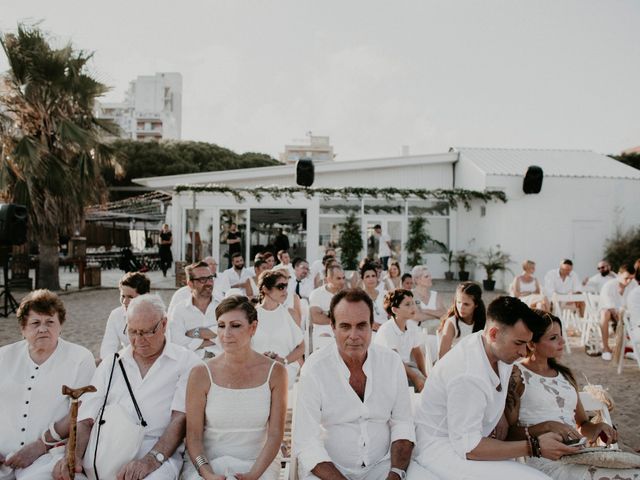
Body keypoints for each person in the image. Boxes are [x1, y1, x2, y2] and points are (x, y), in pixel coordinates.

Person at [414, 296, 576, 480]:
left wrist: (500, 417)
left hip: (474, 442)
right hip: (443, 449)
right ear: (493, 334)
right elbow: (469, 448)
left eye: (526, 343)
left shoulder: (493, 348)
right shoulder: (467, 375)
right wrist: (534, 447)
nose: (524, 353)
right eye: (519, 343)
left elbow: (496, 385)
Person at [52, 294, 200, 480]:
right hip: (103, 451)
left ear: (164, 324)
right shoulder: (111, 363)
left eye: (147, 332)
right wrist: (74, 455)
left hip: (155, 452)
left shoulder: (186, 362)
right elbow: (86, 418)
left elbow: (179, 419)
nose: (139, 340)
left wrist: (151, 460)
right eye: (133, 332)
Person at [293, 289, 426, 480]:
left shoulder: (391, 362)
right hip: (329, 470)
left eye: (361, 326)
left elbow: (402, 423)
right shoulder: (314, 369)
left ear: (372, 325)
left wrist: (396, 473)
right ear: (333, 327)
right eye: (345, 326)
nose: (354, 335)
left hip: (384, 466)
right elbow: (306, 443)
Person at [505, 310, 640, 479]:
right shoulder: (517, 376)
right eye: (553, 338)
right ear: (532, 344)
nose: (562, 341)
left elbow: (582, 424)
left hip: (577, 455)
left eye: (561, 335)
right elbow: (508, 434)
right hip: (541, 460)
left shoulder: (565, 375)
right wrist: (547, 426)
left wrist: (598, 428)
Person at [183, 296, 287, 480]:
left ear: (253, 327)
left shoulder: (275, 372)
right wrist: (206, 473)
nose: (226, 334)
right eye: (221, 326)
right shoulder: (200, 373)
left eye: (236, 325)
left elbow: (275, 435)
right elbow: (193, 437)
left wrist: (253, 474)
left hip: (259, 464)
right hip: (209, 464)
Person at [0, 290, 95, 480]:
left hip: (48, 456)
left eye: (50, 322)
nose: (43, 329)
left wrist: (41, 445)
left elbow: (81, 412)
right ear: (23, 329)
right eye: (35, 323)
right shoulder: (3, 356)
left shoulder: (80, 358)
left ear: (60, 326)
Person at [253, 270, 305, 387]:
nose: (285, 291)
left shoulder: (288, 314)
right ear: (266, 289)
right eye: (281, 287)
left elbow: (301, 347)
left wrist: (284, 361)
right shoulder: (252, 316)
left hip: (284, 371)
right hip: (257, 371)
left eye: (286, 287)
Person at [375, 289, 428, 392]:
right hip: (387, 371)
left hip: (406, 367)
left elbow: (417, 353)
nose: (413, 307)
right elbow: (395, 360)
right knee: (418, 384)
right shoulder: (387, 330)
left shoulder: (412, 326)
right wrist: (415, 377)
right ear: (395, 310)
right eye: (407, 304)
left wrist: (424, 375)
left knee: (428, 384)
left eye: (413, 303)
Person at [169, 261, 220, 358]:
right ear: (190, 284)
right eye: (202, 280)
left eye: (210, 278)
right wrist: (211, 339)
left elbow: (228, 335)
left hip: (220, 363)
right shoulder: (179, 310)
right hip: (191, 364)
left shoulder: (222, 306)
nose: (209, 283)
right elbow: (177, 342)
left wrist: (196, 332)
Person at [99, 271, 151, 361]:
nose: (124, 302)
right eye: (123, 296)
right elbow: (108, 348)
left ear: (144, 296)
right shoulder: (116, 315)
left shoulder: (157, 316)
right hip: (128, 361)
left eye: (130, 297)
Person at [437, 282, 486, 359]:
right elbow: (442, 356)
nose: (461, 307)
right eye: (459, 302)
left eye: (466, 304)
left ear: (476, 305)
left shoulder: (482, 321)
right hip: (453, 364)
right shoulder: (451, 323)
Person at [599, 264, 635, 361]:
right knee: (604, 313)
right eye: (626, 278)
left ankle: (632, 348)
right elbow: (609, 306)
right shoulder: (609, 285)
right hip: (611, 313)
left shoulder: (634, 284)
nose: (629, 281)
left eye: (631, 278)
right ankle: (606, 348)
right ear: (619, 274)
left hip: (628, 315)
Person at [308, 264, 346, 351]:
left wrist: (326, 313)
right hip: (323, 330)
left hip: (343, 329)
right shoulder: (317, 293)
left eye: (343, 278)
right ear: (329, 279)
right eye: (338, 278)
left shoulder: (346, 294)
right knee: (327, 342)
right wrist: (340, 319)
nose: (342, 281)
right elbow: (315, 317)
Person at [360, 262, 388, 330]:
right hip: (367, 331)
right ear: (363, 279)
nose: (371, 279)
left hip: (385, 330)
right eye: (367, 276)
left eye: (373, 276)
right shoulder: (359, 297)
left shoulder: (385, 294)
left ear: (377, 278)